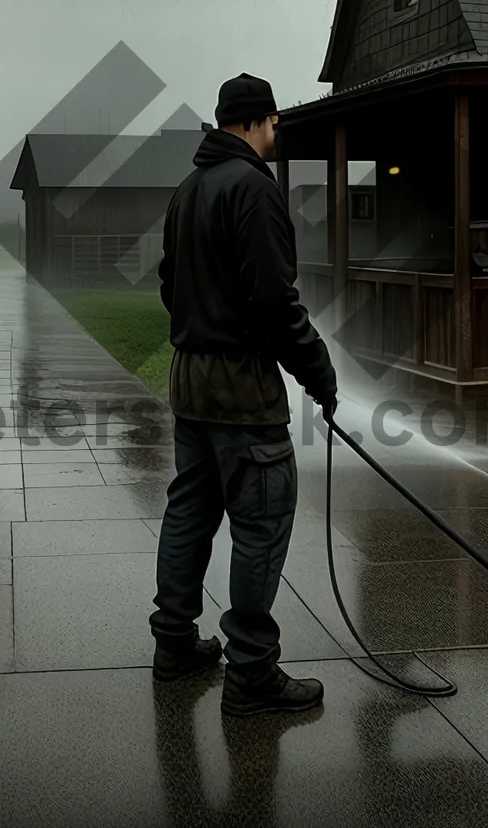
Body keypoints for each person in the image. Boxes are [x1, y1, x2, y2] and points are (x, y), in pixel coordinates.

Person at [149, 72, 338, 717]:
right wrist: (319, 371)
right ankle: (252, 671)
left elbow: (170, 287)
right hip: (238, 386)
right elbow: (275, 302)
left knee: (190, 512)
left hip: (188, 378)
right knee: (262, 521)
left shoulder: (188, 189)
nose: (278, 133)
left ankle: (174, 644)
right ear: (257, 121)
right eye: (275, 122)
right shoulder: (255, 190)